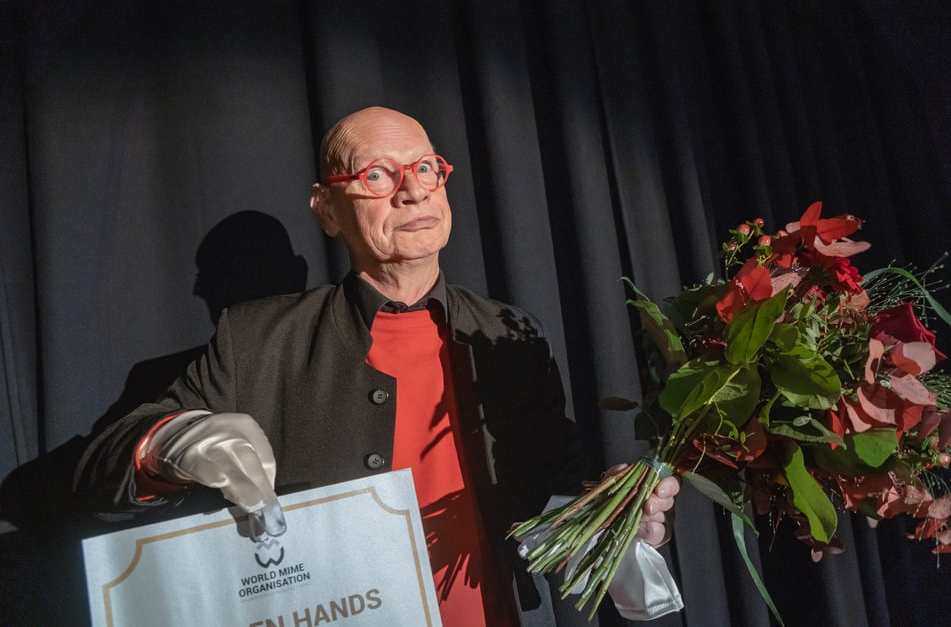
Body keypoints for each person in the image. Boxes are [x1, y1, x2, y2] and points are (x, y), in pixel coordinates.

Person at [74, 106, 678, 625]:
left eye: (425, 168)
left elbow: (554, 495)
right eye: (377, 175)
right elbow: (99, 475)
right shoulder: (256, 339)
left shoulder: (510, 334)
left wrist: (614, 519)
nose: (412, 190)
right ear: (327, 208)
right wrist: (173, 442)